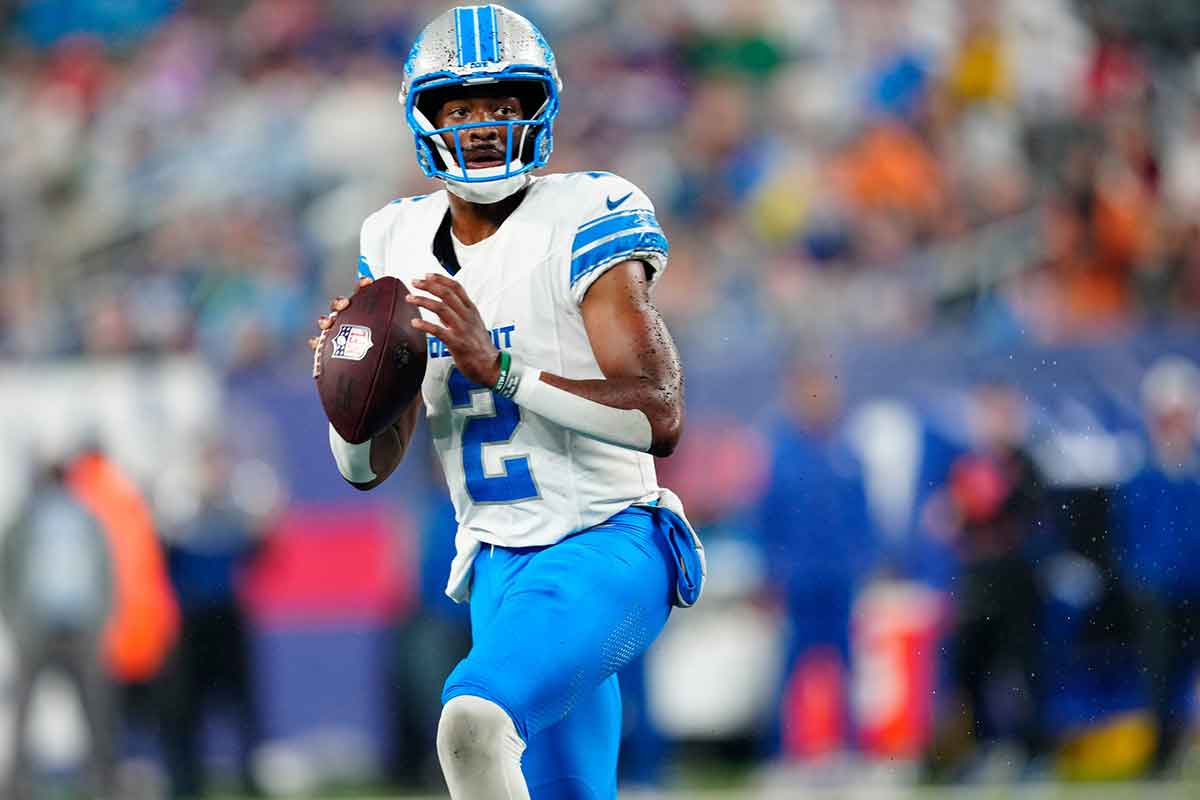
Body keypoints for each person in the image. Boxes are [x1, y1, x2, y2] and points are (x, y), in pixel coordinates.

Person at [307, 6, 705, 798]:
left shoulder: (585, 214)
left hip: (605, 541)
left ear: (537, 108)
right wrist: (346, 391)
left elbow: (659, 414)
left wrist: (502, 368)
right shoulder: (393, 239)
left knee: (473, 723)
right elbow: (366, 467)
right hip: (494, 566)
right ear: (426, 118)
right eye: (462, 107)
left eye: (502, 104)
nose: (484, 124)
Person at [1, 461, 117, 800]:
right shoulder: (24, 521)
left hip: (80, 625)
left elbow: (105, 571)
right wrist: (15, 619)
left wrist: (101, 620)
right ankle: (16, 784)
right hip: (36, 626)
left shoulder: (86, 519)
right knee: (24, 710)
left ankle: (103, 782)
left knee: (96, 708)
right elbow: (7, 570)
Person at [1115, 356, 1200, 775]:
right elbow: (1131, 532)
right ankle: (1164, 751)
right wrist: (1146, 578)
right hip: (1160, 591)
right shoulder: (1144, 473)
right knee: (1161, 674)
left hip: (1193, 585)